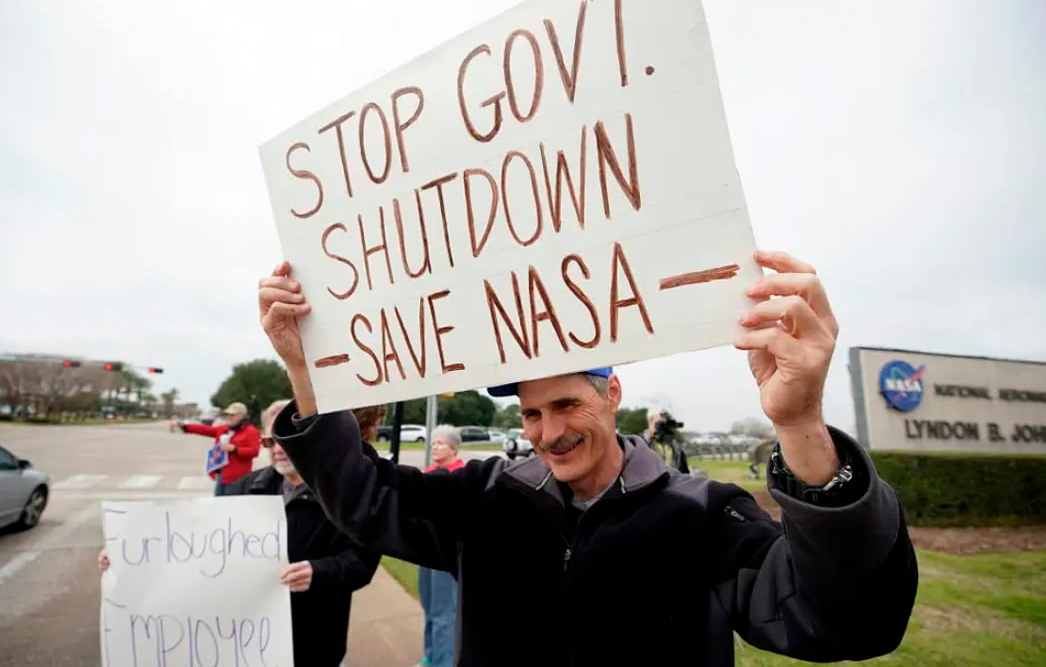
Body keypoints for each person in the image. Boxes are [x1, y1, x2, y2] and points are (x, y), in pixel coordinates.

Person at [257, 250, 919, 666]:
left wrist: (800, 420)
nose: (548, 432)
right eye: (533, 412)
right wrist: (302, 364)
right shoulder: (487, 497)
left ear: (612, 395)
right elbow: (364, 498)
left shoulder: (703, 514)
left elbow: (843, 621)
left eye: (568, 404)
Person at [101, 398, 380, 667]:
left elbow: (362, 562)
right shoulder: (244, 489)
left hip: (313, 638)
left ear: (310, 442)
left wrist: (319, 572)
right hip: (246, 640)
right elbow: (194, 550)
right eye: (270, 441)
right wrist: (127, 556)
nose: (278, 449)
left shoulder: (342, 498)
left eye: (287, 440)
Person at [416, 425, 465, 667]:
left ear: (453, 448)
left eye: (440, 443)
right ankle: (431, 654)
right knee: (428, 605)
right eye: (433, 443)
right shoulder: (429, 473)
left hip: (446, 555)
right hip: (425, 551)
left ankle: (444, 661)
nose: (434, 447)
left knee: (444, 612)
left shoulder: (462, 476)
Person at [176, 402, 260, 494]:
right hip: (221, 475)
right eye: (227, 414)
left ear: (241, 416)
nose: (229, 417)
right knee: (218, 504)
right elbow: (205, 430)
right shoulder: (224, 428)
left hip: (238, 479)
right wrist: (186, 427)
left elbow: (254, 452)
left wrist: (235, 449)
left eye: (232, 415)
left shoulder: (251, 431)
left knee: (232, 505)